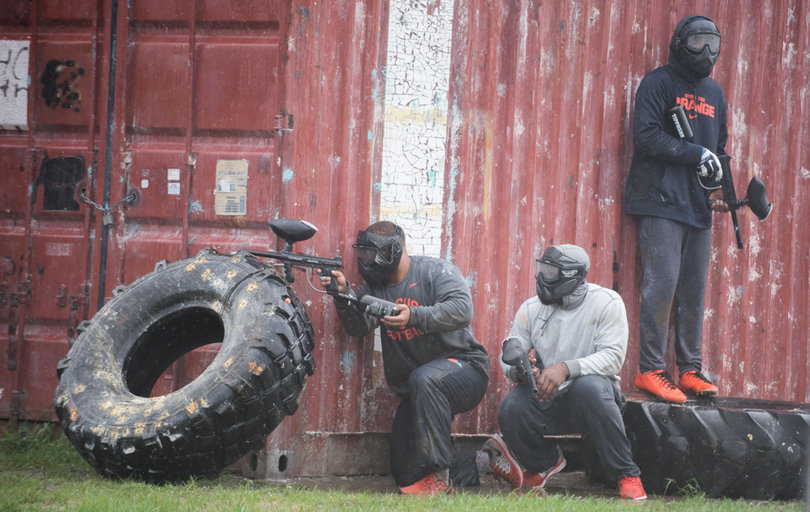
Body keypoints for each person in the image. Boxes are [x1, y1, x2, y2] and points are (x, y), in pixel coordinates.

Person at [319, 221, 490, 495]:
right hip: (418, 389)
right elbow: (358, 326)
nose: (367, 262)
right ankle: (483, 461)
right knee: (405, 475)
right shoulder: (374, 289)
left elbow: (462, 310)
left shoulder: (435, 271)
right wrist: (343, 295)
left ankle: (440, 479)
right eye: (362, 255)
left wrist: (415, 316)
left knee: (425, 378)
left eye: (372, 255)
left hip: (466, 370)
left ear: (394, 251)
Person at [482, 244, 647, 500]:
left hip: (595, 400)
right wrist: (521, 372)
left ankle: (627, 474)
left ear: (572, 275)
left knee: (589, 386)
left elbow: (613, 358)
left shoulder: (607, 302)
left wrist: (567, 368)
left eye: (550, 271)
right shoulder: (531, 308)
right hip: (549, 395)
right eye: (542, 269)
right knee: (511, 407)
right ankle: (544, 462)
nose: (542, 276)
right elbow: (511, 352)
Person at [624, 14, 727, 403]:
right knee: (662, 284)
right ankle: (650, 369)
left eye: (712, 43)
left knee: (692, 290)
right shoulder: (658, 83)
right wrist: (694, 152)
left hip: (699, 206)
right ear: (680, 42)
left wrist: (721, 190)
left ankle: (689, 370)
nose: (705, 50)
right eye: (698, 41)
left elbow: (720, 150)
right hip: (660, 200)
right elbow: (646, 136)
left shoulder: (715, 93)